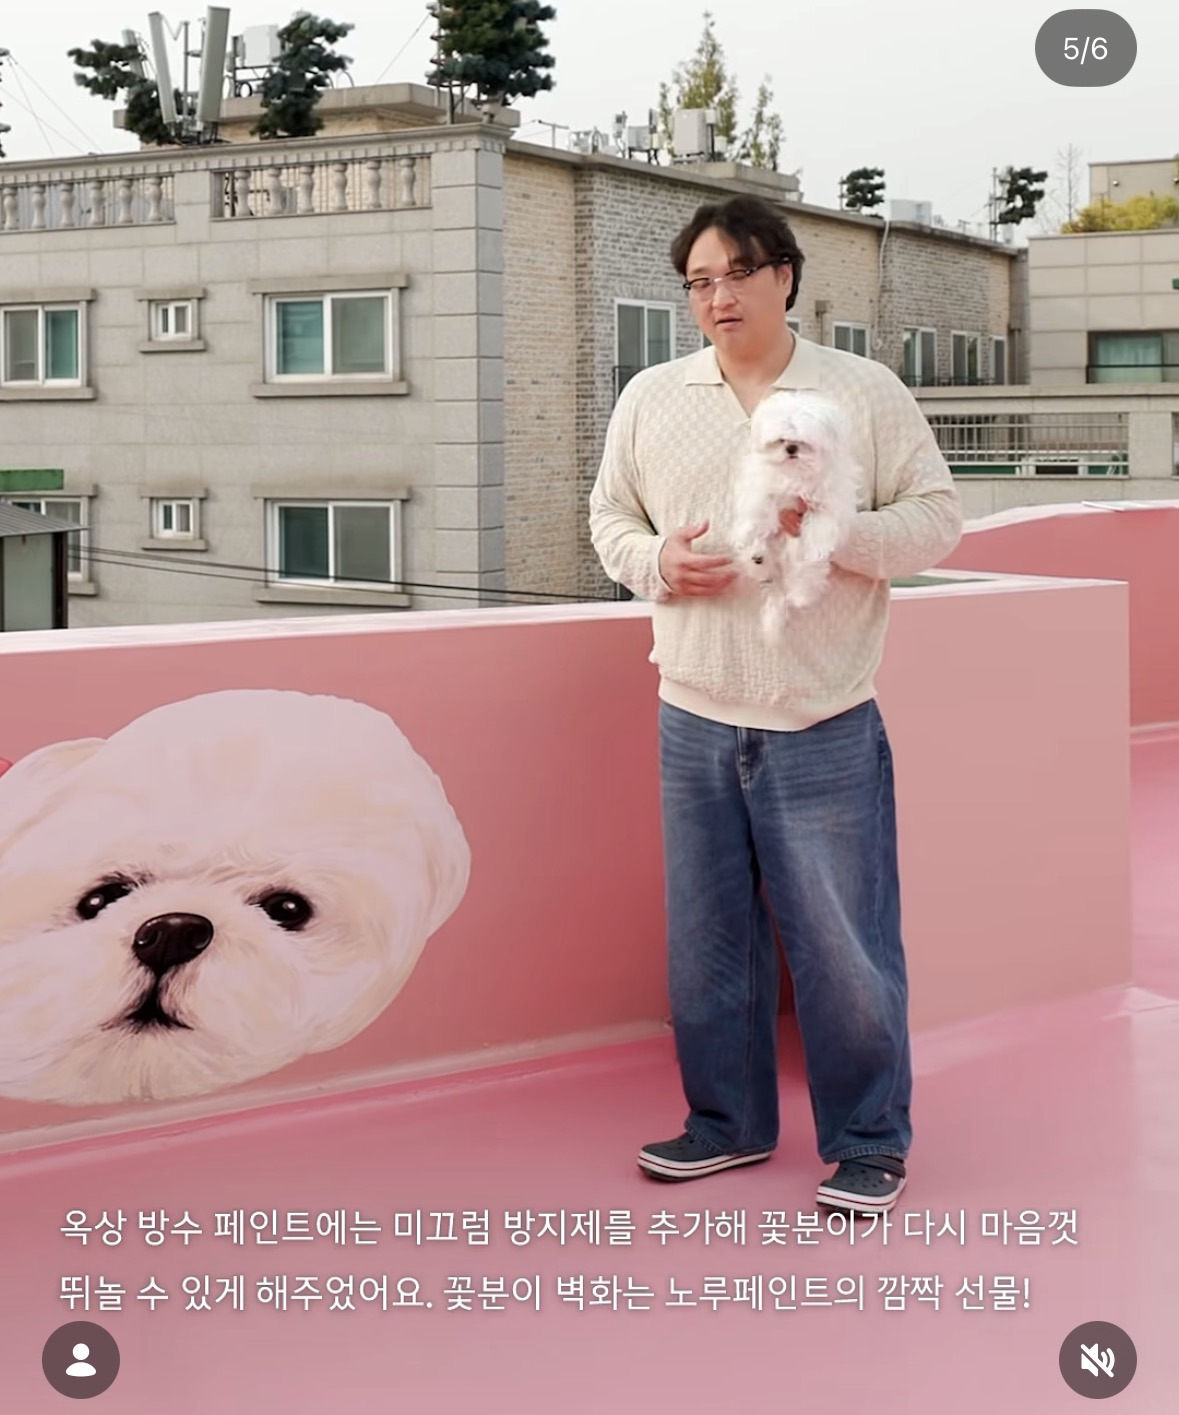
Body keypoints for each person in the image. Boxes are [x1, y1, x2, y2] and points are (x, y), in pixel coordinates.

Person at [588, 193, 963, 1215]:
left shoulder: (861, 390)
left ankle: (869, 1139)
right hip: (691, 709)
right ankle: (726, 1122)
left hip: (822, 711)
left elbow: (937, 517)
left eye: (738, 273)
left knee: (845, 944)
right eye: (699, 281)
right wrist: (656, 562)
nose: (719, 296)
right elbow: (609, 517)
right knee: (708, 937)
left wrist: (833, 539)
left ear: (784, 276)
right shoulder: (651, 396)